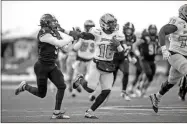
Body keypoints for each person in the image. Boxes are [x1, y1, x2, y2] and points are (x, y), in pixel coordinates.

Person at [14, 14, 79, 119]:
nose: (55, 23)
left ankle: (56, 113)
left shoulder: (54, 32)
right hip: (42, 67)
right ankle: (25, 86)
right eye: (52, 22)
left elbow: (66, 49)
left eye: (55, 21)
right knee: (41, 94)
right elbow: (59, 43)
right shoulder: (43, 34)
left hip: (52, 65)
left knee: (62, 86)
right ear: (46, 23)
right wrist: (72, 37)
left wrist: (74, 40)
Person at [72, 13, 125, 119]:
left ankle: (90, 111)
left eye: (114, 22)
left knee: (106, 90)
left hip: (109, 65)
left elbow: (122, 54)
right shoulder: (97, 32)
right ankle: (80, 79)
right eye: (110, 23)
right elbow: (88, 36)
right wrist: (80, 35)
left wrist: (118, 45)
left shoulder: (118, 35)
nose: (113, 25)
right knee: (91, 89)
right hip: (96, 64)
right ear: (103, 24)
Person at [149, 4, 187, 113]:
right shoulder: (179, 22)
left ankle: (156, 97)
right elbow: (162, 31)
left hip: (184, 57)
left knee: (171, 82)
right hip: (175, 54)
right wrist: (164, 49)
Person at [134, 25, 159, 97]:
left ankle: (143, 90)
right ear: (149, 30)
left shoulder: (157, 38)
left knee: (151, 77)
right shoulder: (145, 37)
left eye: (154, 29)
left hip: (152, 59)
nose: (153, 31)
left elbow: (158, 47)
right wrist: (138, 54)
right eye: (151, 29)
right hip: (144, 59)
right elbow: (136, 45)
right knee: (148, 73)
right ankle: (138, 87)